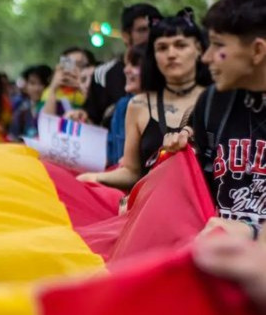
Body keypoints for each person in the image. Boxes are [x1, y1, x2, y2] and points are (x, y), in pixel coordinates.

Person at [164, 0, 266, 239]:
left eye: (218, 46)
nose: (207, 57)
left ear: (258, 51)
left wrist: (252, 232)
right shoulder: (212, 102)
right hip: (220, 262)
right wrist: (180, 152)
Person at [78, 9, 211, 190]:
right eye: (162, 47)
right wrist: (94, 178)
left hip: (209, 211)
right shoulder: (138, 105)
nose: (171, 54)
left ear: (199, 49)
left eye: (180, 45)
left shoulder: (218, 100)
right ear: (153, 56)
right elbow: (132, 172)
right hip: (153, 210)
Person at [73, 3, 163, 126]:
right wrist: (81, 116)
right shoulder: (102, 74)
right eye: (142, 30)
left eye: (155, 28)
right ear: (126, 36)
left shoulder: (167, 69)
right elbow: (92, 117)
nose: (150, 35)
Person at [107, 43, 146, 166]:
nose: (126, 70)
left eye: (134, 64)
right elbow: (111, 156)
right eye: (126, 64)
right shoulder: (123, 105)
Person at [39, 47, 94, 117]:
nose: (75, 69)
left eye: (80, 65)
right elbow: (47, 121)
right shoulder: (50, 92)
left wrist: (82, 86)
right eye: (69, 63)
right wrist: (53, 88)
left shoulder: (93, 90)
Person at [10, 64, 52, 140]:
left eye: (41, 84)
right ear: (26, 86)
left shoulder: (56, 108)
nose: (37, 88)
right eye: (32, 83)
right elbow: (14, 137)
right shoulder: (21, 110)